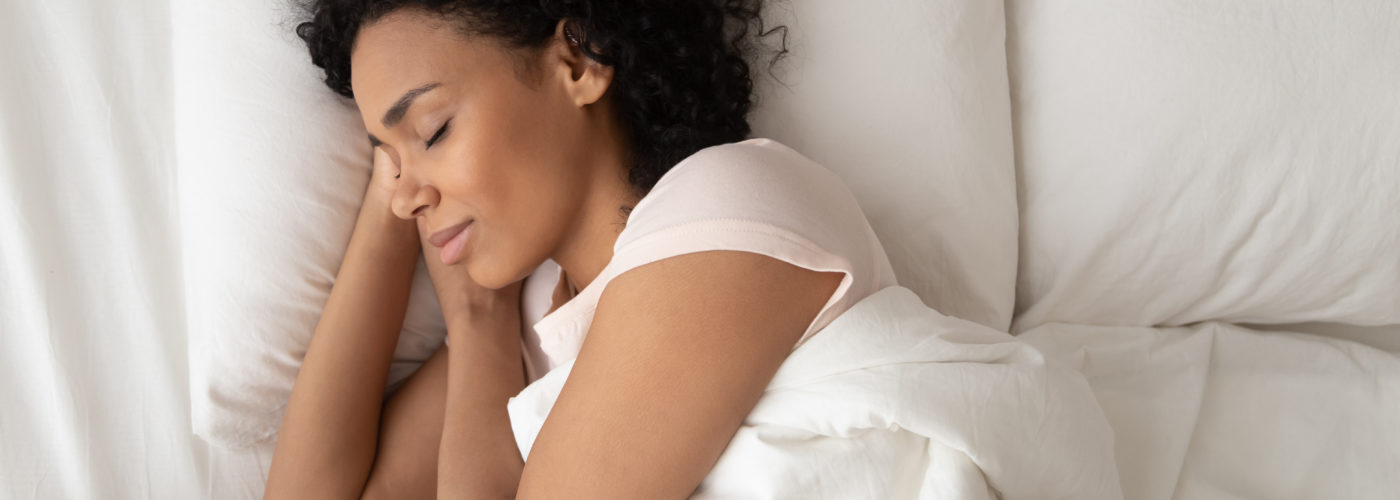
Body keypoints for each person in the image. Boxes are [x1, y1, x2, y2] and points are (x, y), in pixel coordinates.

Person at [265, 1, 896, 498]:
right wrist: (391, 198)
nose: (407, 198)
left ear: (577, 63)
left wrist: (477, 325)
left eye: (433, 130)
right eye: (387, 157)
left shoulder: (730, 200)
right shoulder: (538, 313)